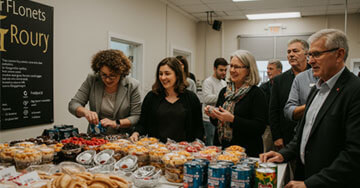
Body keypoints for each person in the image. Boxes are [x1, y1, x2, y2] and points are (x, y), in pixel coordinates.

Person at [261, 28, 360, 188]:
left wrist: (311, 184)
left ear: (339, 54)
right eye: (310, 55)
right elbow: (304, 133)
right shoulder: (317, 88)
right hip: (305, 173)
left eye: (317, 54)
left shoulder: (354, 91)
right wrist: (282, 154)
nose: (311, 61)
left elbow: (354, 154)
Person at [205, 50, 267, 157]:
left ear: (248, 70)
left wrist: (232, 119)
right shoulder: (224, 91)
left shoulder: (257, 93)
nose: (232, 70)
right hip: (223, 151)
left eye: (237, 67)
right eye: (231, 66)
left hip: (247, 153)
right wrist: (214, 116)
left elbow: (259, 127)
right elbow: (217, 124)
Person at [130, 57, 204, 143]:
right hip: (157, 151)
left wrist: (197, 143)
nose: (163, 77)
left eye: (167, 74)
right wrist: (136, 133)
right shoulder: (151, 97)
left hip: (182, 153)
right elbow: (142, 123)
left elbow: (198, 128)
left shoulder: (191, 98)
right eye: (160, 74)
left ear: (177, 74)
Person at [68, 49, 141, 134]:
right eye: (104, 75)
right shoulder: (93, 79)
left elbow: (136, 116)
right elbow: (73, 104)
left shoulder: (132, 85)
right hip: (96, 136)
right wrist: (85, 112)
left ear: (121, 73)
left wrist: (116, 123)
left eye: (112, 76)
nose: (107, 79)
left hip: (122, 138)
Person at [269, 39, 310, 150]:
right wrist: (277, 136)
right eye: (289, 52)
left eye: (295, 51)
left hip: (311, 134)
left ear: (306, 54)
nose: (291, 55)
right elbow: (273, 110)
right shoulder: (279, 80)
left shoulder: (316, 75)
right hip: (287, 135)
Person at [202, 57, 228, 146]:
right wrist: (221, 96)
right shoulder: (208, 82)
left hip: (220, 118)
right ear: (214, 69)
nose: (224, 73)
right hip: (208, 119)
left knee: (218, 144)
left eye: (225, 70)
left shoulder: (224, 83)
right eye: (221, 70)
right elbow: (206, 98)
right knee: (210, 145)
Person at [260, 59, 282, 152]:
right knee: (266, 152)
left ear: (279, 71)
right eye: (267, 69)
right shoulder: (263, 87)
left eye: (271, 69)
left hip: (281, 127)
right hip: (267, 127)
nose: (268, 71)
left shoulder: (285, 86)